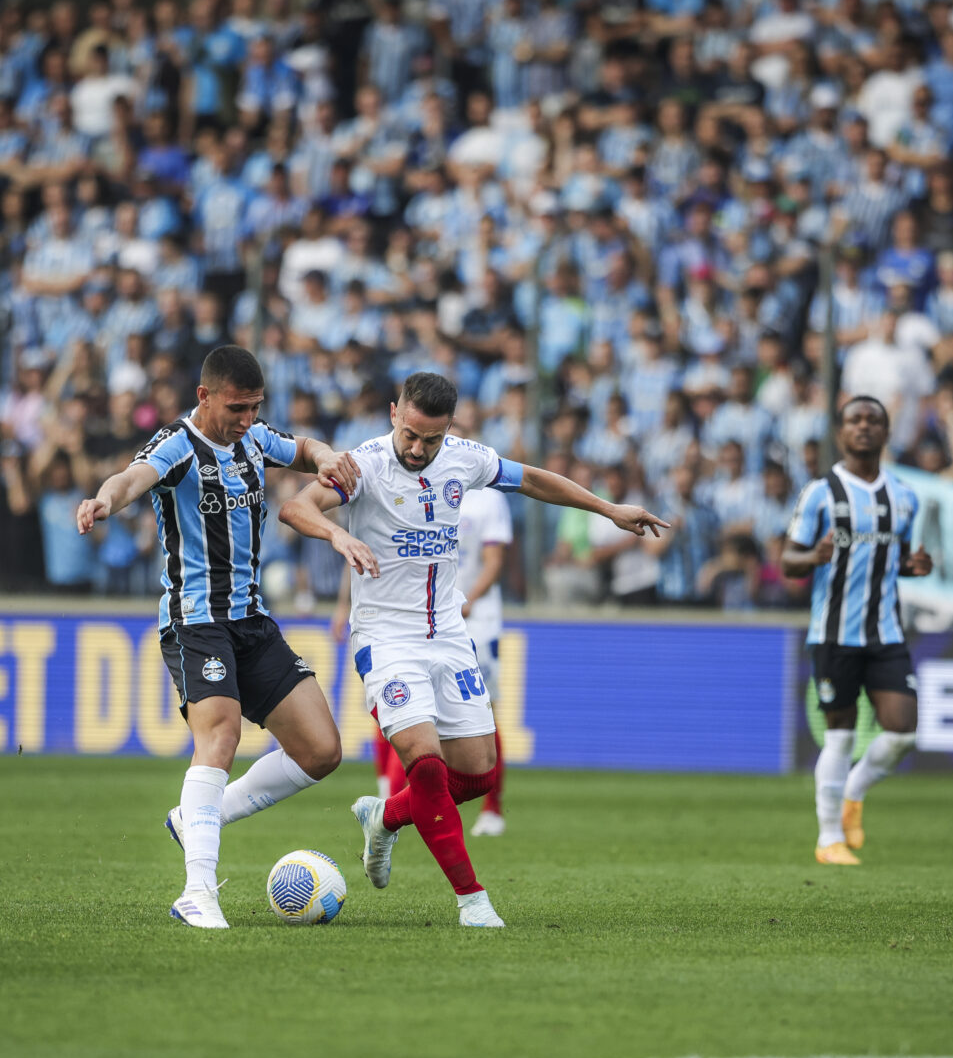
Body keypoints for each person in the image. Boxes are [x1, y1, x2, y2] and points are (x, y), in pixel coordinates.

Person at [279, 372, 666, 927]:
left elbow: (533, 480)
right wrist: (338, 535)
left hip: (450, 632)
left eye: (430, 440)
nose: (418, 449)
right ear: (394, 413)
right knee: (429, 767)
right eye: (410, 434)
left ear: (449, 431)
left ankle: (386, 817)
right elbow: (297, 507)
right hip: (387, 637)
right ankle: (472, 900)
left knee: (480, 772)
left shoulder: (464, 459)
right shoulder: (362, 465)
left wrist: (608, 510)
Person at [75, 345, 360, 930]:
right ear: (204, 397)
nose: (248, 419)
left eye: (256, 407)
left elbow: (301, 448)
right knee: (221, 736)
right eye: (237, 408)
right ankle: (197, 891)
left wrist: (326, 453)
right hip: (195, 621)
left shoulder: (253, 439)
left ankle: (196, 818)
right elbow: (131, 478)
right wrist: (104, 499)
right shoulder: (177, 445)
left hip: (252, 620)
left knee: (322, 750)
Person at [781, 396, 934, 867]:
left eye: (873, 421)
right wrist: (813, 557)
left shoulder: (904, 497)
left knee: (903, 731)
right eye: (854, 420)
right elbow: (788, 560)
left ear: (886, 433)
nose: (864, 427)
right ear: (840, 431)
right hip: (833, 634)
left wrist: (915, 566)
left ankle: (853, 790)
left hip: (885, 632)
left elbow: (899, 559)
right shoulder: (820, 493)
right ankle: (829, 839)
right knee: (841, 737)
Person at [456, 482, 513, 836]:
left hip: (478, 620)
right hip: (439, 617)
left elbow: (494, 563)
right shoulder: (427, 489)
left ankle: (493, 808)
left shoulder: (488, 500)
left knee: (484, 711)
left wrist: (468, 600)